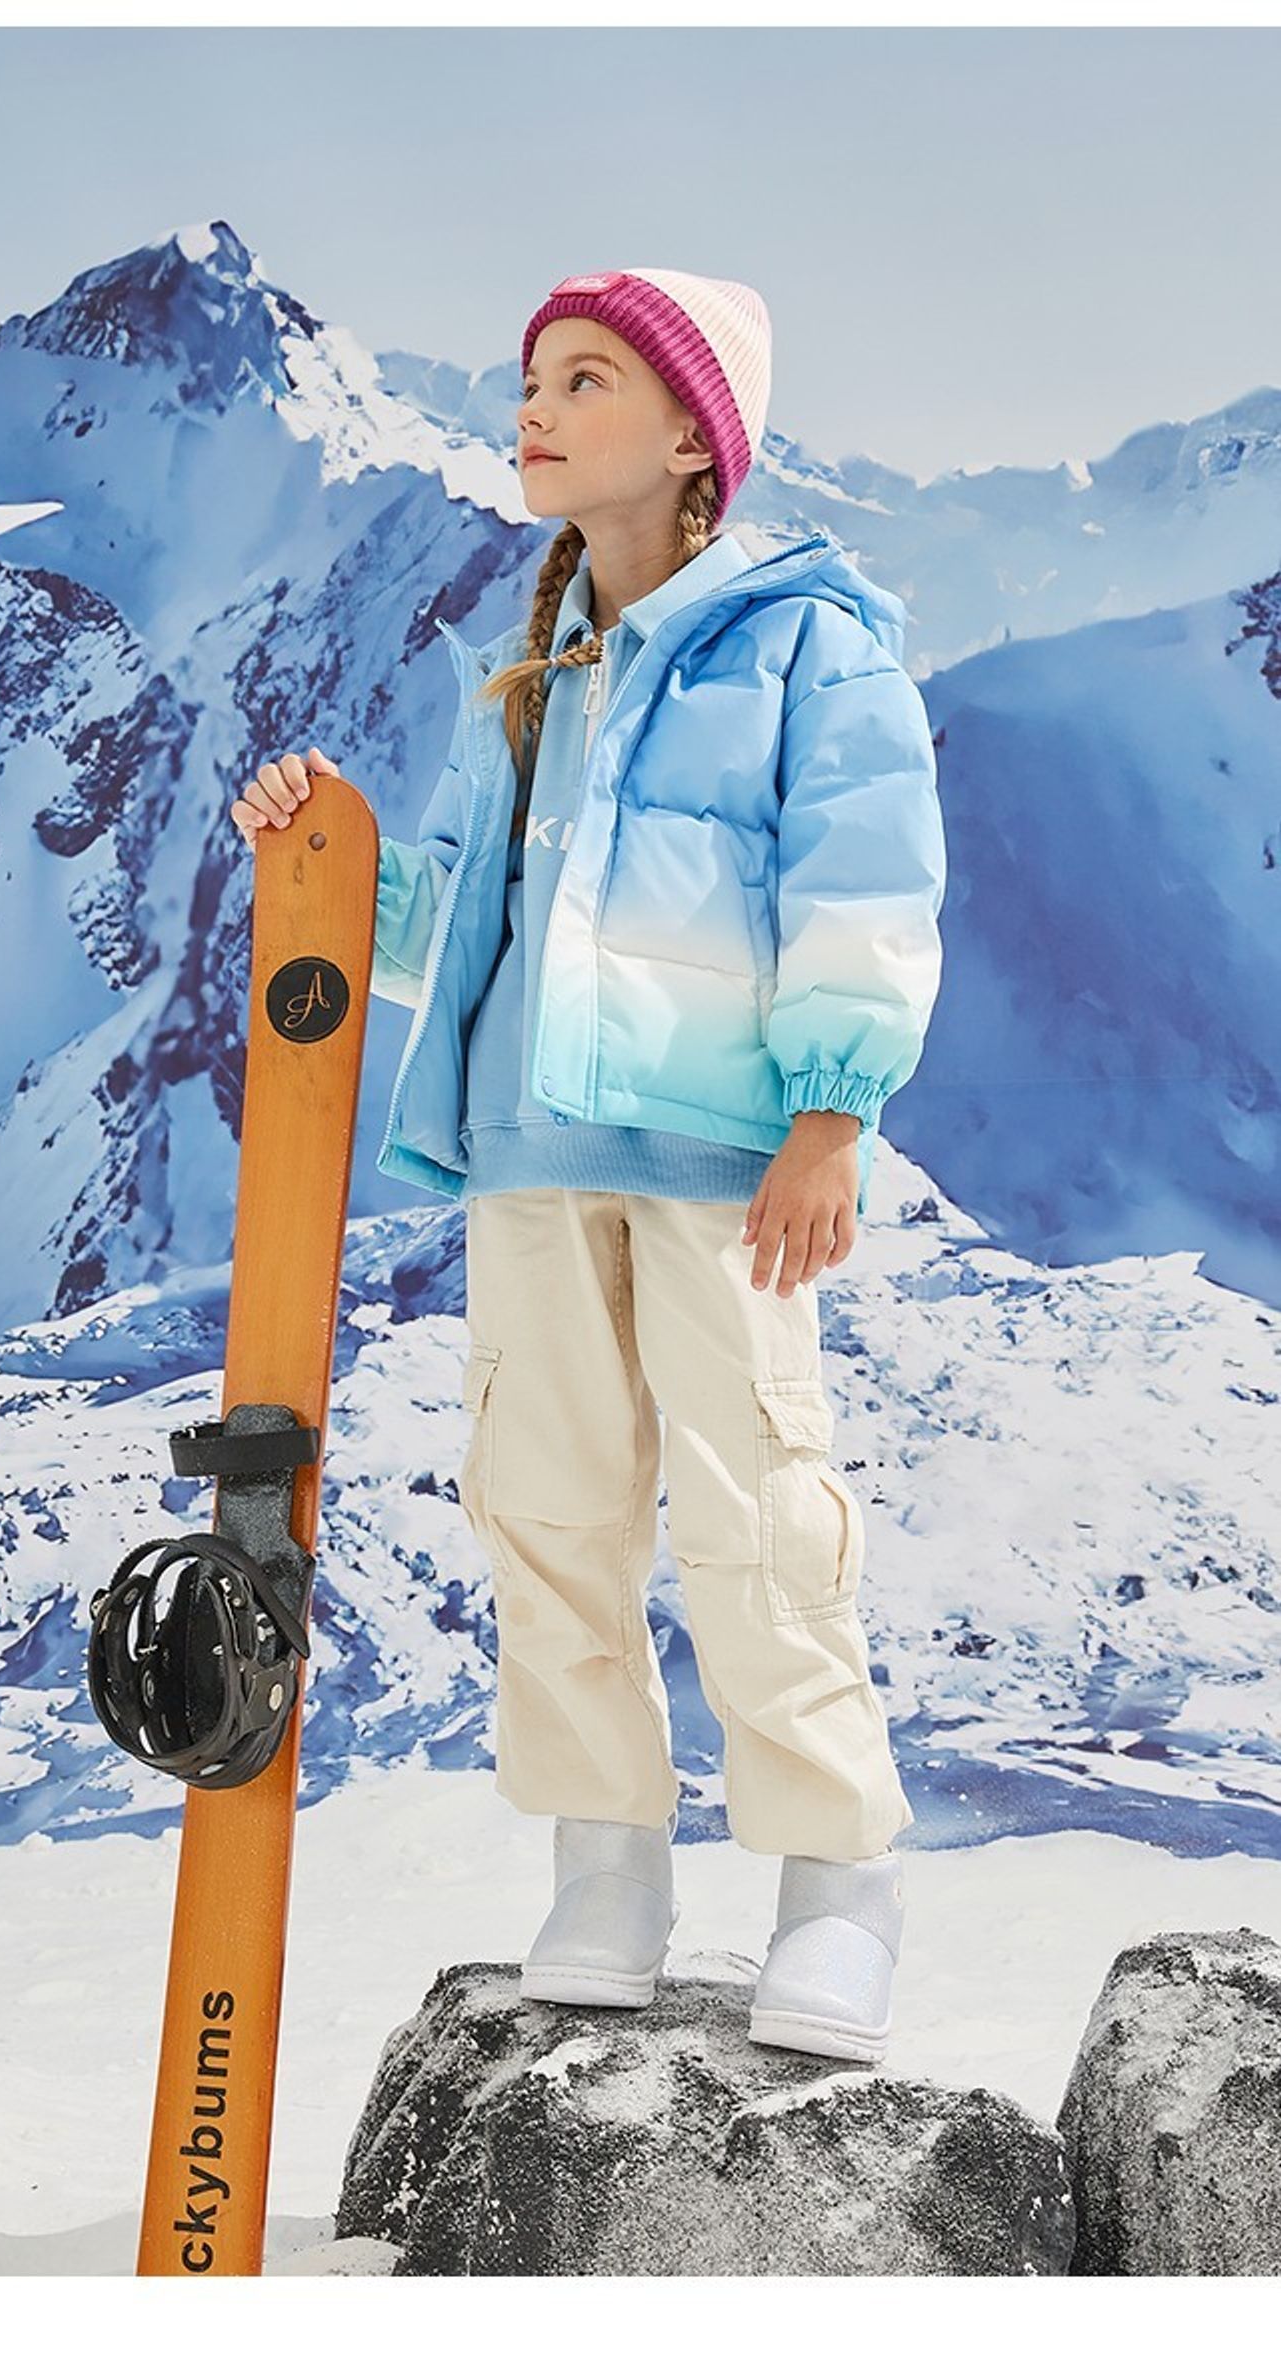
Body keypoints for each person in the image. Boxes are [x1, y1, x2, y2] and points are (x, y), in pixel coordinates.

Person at [233, 266, 947, 2065]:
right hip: (528, 1155)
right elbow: (466, 924)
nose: (533, 409)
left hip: (723, 1161)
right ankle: (608, 1866)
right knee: (548, 1510)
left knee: (755, 1513)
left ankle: (835, 1886)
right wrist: (329, 855)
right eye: (531, 378)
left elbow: (865, 879)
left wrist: (831, 1111)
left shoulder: (809, 647)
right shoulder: (531, 662)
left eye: (585, 379)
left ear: (696, 438)